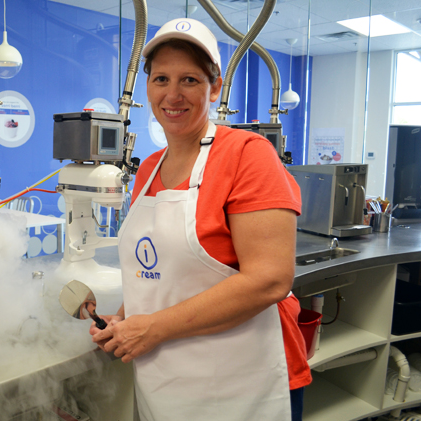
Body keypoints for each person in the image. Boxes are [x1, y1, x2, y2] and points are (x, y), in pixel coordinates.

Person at [89, 18, 311, 420]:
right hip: (165, 381)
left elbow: (270, 279)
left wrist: (153, 327)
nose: (172, 94)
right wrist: (123, 318)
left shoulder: (247, 153)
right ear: (148, 87)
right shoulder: (149, 168)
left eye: (189, 80)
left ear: (214, 87)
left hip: (243, 382)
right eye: (161, 79)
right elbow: (156, 270)